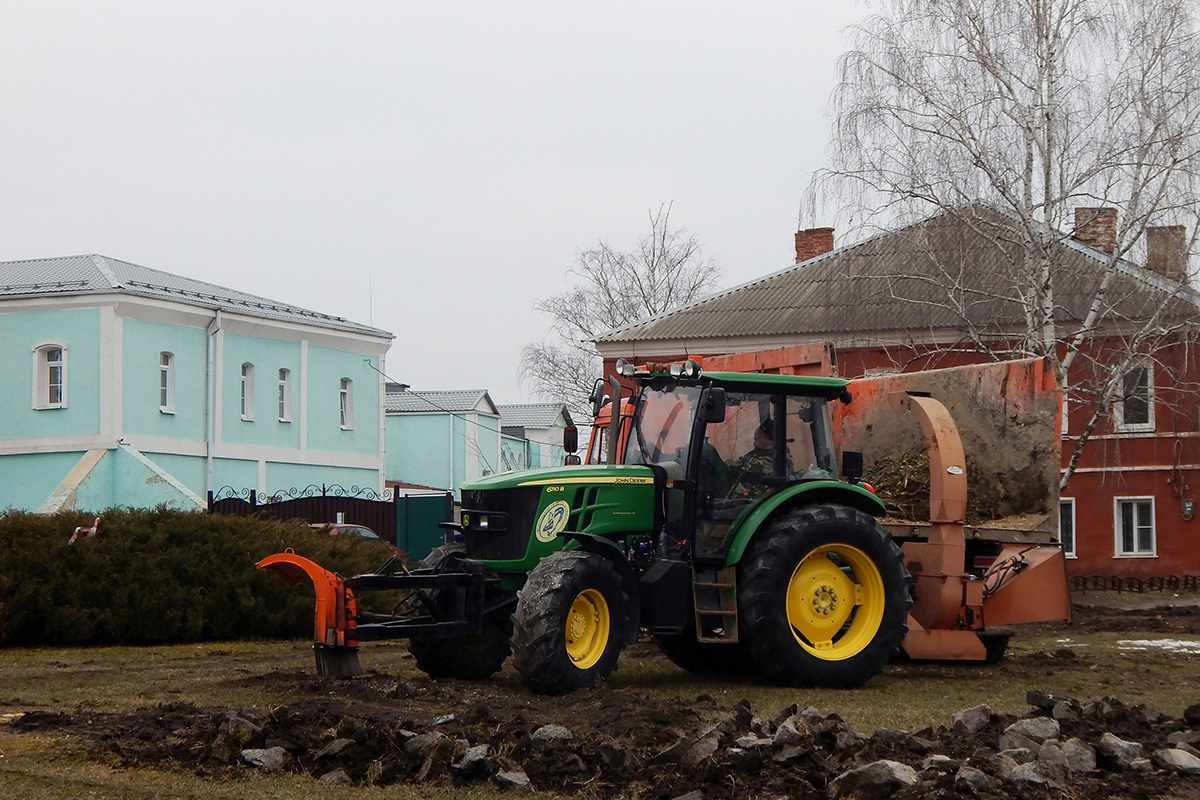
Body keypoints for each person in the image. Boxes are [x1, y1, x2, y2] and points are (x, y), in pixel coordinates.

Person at [725, 420, 792, 497]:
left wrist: (730, 466)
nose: (754, 443)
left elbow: (750, 470)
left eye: (756, 439)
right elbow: (741, 463)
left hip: (755, 496)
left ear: (767, 439)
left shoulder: (779, 459)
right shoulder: (757, 453)